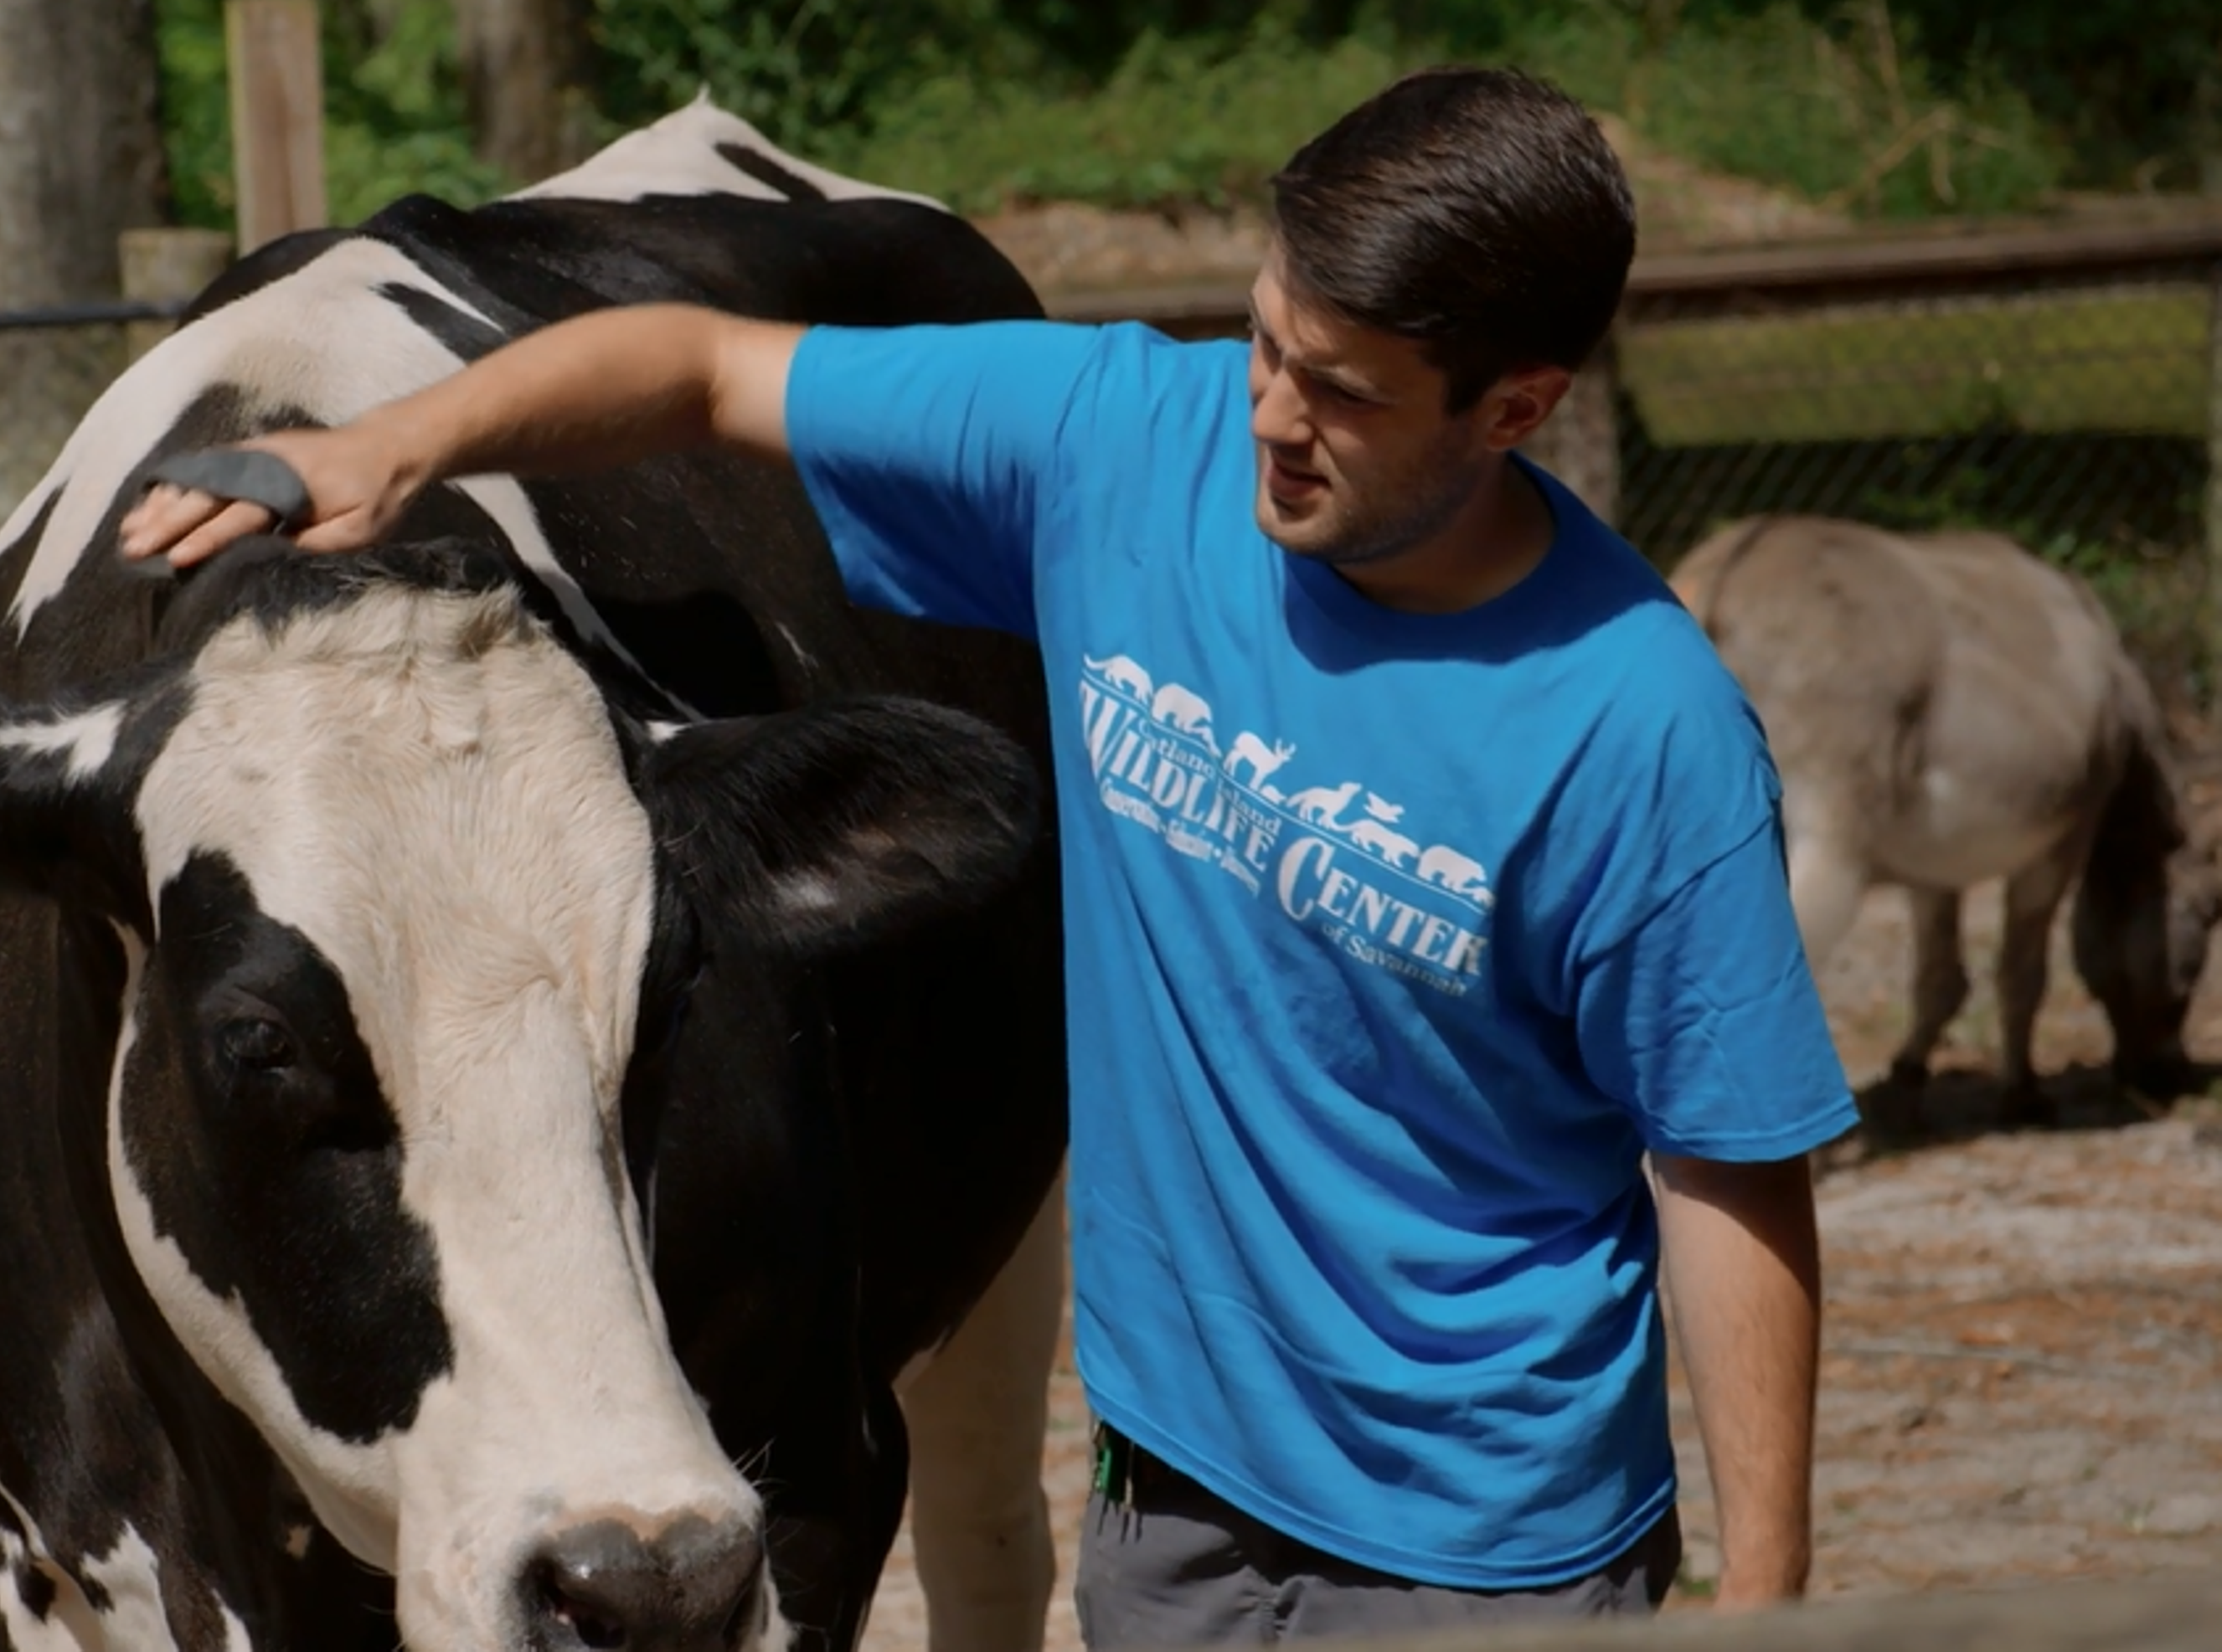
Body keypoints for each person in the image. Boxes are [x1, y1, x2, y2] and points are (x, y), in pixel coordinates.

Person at [118, 65, 1855, 1648]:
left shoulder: (1639, 728)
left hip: (1484, 1554)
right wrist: (388, 444)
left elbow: (1729, 1171)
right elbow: (704, 365)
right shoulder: (1129, 447)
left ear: (1514, 407)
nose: (1269, 412)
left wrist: (1766, 1608)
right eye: (1265, 340)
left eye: (1340, 389)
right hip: (1171, 1516)